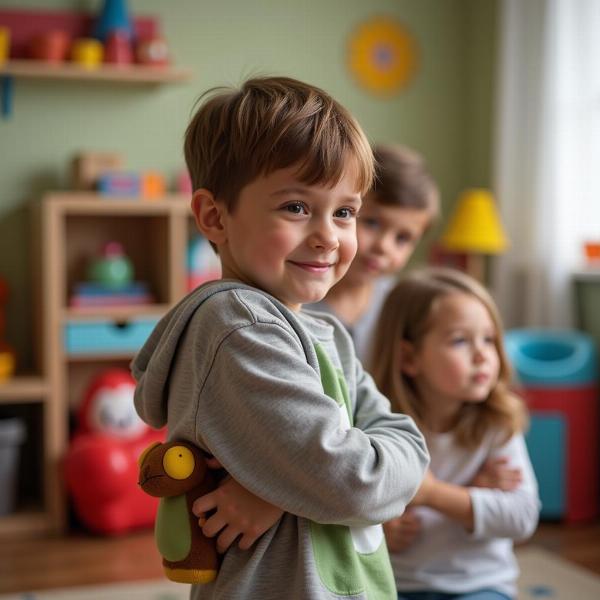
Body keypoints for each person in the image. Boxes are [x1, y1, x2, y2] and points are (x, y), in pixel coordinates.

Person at [132, 76, 429, 600]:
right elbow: (349, 481)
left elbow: (404, 445)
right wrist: (314, 481)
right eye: (296, 207)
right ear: (214, 216)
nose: (328, 236)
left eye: (345, 211)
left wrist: (279, 491)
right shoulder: (240, 326)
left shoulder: (323, 331)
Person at [370, 267, 540, 600]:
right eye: (460, 340)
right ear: (408, 357)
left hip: (478, 585)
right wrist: (378, 530)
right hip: (393, 584)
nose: (482, 355)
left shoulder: (496, 424)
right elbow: (345, 504)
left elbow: (521, 516)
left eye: (488, 339)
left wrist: (433, 493)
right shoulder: (379, 426)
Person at [310, 144, 439, 363]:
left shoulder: (400, 306)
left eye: (403, 238)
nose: (383, 247)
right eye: (371, 222)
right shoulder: (299, 294)